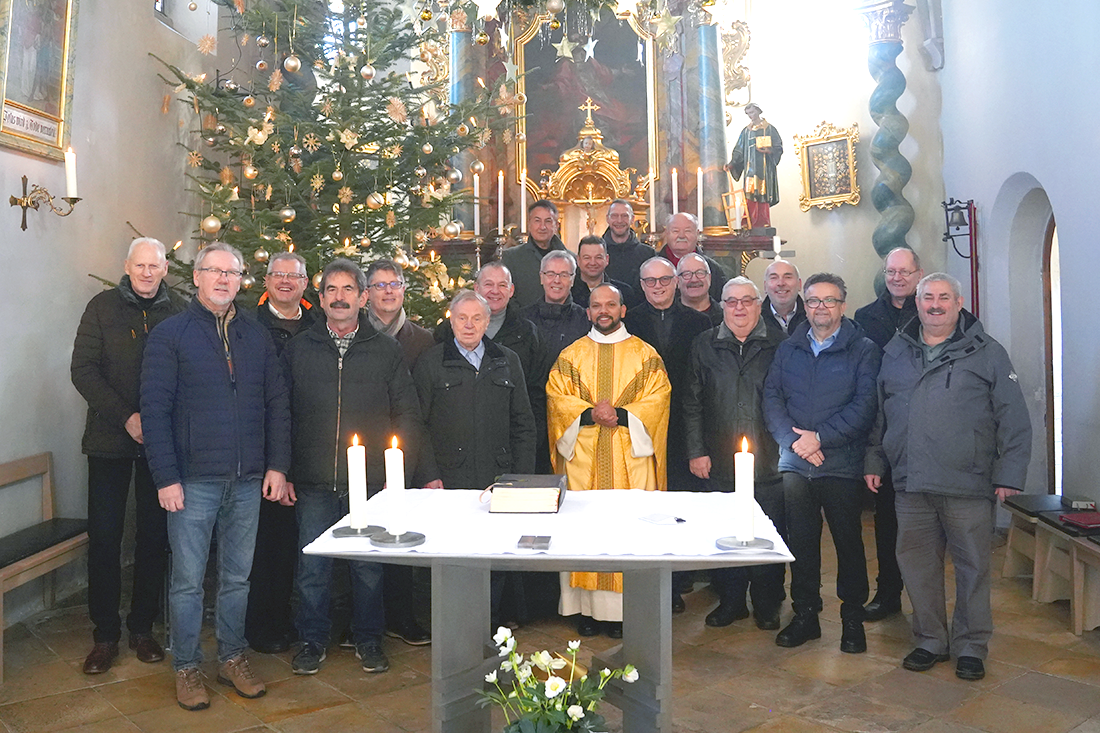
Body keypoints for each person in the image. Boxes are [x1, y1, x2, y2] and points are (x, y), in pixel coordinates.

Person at [141, 242, 290, 711]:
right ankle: (186, 666)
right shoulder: (170, 335)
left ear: (242, 279)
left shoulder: (256, 334)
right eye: (215, 271)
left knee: (237, 578)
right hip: (192, 480)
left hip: (247, 481)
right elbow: (155, 410)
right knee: (187, 581)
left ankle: (231, 657)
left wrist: (277, 465)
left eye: (233, 273)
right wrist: (166, 477)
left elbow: (276, 404)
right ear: (198, 277)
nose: (224, 279)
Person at [865, 273, 1031, 682]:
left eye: (943, 297)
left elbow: (1014, 416)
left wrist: (1009, 472)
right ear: (916, 303)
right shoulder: (896, 350)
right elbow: (880, 412)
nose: (934, 305)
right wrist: (874, 460)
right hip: (911, 480)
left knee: (973, 567)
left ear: (959, 303)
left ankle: (972, 646)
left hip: (967, 481)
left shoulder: (988, 352)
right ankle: (930, 640)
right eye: (927, 298)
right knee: (918, 566)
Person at [283, 259, 428, 676]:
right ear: (321, 297)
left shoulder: (385, 350)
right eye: (332, 289)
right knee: (313, 568)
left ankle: (369, 639)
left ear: (363, 297)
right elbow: (284, 413)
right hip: (313, 479)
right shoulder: (300, 348)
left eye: (349, 289)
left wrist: (398, 478)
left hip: (370, 484)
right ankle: (312, 640)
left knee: (367, 567)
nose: (340, 297)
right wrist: (286, 468)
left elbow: (407, 413)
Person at [70, 237, 184, 675]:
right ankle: (104, 635)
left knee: (154, 537)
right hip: (109, 442)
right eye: (140, 266)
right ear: (127, 266)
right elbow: (83, 370)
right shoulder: (101, 307)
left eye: (155, 266)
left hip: (161, 447)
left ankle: (142, 628)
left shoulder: (177, 312)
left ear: (165, 269)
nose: (147, 273)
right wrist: (126, 418)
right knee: (105, 539)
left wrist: (155, 424)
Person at [763, 273, 880, 654]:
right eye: (813, 301)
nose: (821, 308)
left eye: (829, 301)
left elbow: (865, 405)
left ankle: (852, 619)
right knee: (801, 543)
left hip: (840, 462)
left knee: (848, 543)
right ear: (804, 304)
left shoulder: (862, 349)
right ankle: (805, 615)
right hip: (796, 464)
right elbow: (772, 400)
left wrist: (820, 438)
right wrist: (796, 442)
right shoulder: (789, 348)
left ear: (843, 305)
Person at [547, 284, 672, 638]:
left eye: (611, 304)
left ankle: (625, 612)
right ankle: (585, 611)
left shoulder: (646, 355)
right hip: (584, 457)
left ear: (623, 310)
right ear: (587, 312)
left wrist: (621, 413)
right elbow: (557, 399)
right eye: (596, 305)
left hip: (630, 457)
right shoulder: (571, 356)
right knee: (582, 531)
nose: (604, 311)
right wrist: (588, 414)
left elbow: (658, 400)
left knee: (627, 530)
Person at [414, 291, 537, 628]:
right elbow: (417, 425)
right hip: (447, 479)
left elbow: (523, 424)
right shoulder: (430, 362)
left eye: (476, 318)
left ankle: (491, 623)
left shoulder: (507, 360)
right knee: (450, 550)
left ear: (487, 321)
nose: (469, 325)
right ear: (450, 320)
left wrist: (521, 480)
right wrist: (428, 474)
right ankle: (452, 624)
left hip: (497, 478)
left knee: (493, 551)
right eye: (461, 318)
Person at [683, 277, 787, 629]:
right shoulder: (704, 344)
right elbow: (692, 402)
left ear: (760, 304)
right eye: (731, 301)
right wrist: (697, 450)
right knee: (724, 533)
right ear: (722, 305)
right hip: (719, 455)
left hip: (770, 457)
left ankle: (767, 602)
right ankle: (731, 601)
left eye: (747, 301)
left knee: (768, 533)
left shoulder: (780, 343)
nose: (739, 308)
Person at [246, 252, 316, 656]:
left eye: (295, 276)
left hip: (308, 449)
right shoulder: (249, 326)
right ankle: (263, 623)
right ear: (266, 281)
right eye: (278, 275)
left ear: (306, 284)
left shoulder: (319, 325)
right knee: (267, 544)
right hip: (267, 452)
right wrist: (279, 464)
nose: (286, 282)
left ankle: (297, 620)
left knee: (297, 544)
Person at [853, 247, 923, 622]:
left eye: (904, 272)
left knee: (926, 525)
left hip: (925, 428)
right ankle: (888, 592)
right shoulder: (866, 317)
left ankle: (925, 599)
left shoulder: (930, 310)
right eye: (891, 271)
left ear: (918, 274)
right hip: (883, 428)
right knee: (886, 520)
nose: (897, 278)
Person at [626, 257, 712, 497]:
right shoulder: (628, 323)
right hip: (642, 422)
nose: (658, 285)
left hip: (688, 422)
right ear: (642, 285)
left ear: (676, 282)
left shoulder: (700, 323)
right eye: (650, 280)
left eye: (664, 279)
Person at [366, 259, 435, 371]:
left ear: (403, 290)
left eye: (395, 284)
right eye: (380, 285)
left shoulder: (423, 340)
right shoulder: (353, 334)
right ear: (367, 292)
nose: (389, 290)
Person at [523, 250, 590, 365]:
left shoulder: (585, 321)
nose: (557, 280)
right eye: (550, 274)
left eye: (564, 275)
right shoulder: (523, 319)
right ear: (541, 277)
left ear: (572, 280)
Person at [501, 200, 568, 309]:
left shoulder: (570, 260)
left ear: (556, 225)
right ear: (529, 224)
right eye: (537, 221)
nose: (542, 227)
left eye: (548, 221)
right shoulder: (511, 258)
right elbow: (506, 294)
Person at [727, 103, 783, 229]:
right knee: (749, 193)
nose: (750, 116)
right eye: (748, 114)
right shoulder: (747, 131)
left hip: (764, 169)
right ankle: (748, 221)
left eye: (752, 113)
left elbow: (778, 146)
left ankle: (763, 221)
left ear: (758, 111)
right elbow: (739, 150)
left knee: (763, 193)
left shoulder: (769, 129)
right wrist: (732, 163)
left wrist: (770, 151)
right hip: (750, 169)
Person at [656, 212, 726, 301]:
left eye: (687, 231)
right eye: (675, 231)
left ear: (697, 234)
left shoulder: (713, 269)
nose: (681, 236)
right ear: (666, 233)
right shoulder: (652, 267)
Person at [600, 199, 656, 293]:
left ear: (632, 219)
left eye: (625, 216)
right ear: (607, 219)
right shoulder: (598, 253)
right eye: (614, 216)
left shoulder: (648, 254)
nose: (619, 220)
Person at [571, 235, 638, 309]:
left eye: (598, 257)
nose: (593, 263)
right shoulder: (567, 292)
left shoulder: (624, 292)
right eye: (587, 258)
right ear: (578, 260)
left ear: (607, 259)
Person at [760, 259, 806, 335]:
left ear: (799, 284)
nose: (781, 283)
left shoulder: (812, 315)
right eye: (774, 278)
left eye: (788, 277)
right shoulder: (755, 319)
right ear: (765, 286)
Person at [676, 253, 723, 326]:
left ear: (709, 278)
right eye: (687, 274)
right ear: (678, 281)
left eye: (700, 273)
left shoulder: (725, 316)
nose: (694, 279)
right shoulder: (667, 319)